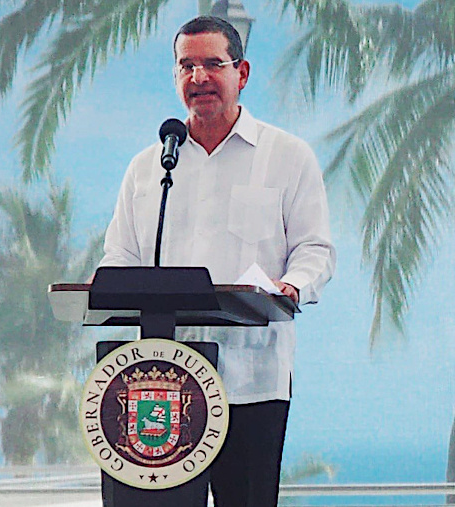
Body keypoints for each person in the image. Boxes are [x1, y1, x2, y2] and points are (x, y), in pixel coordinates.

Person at [99, 16, 336, 507]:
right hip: (162, 380)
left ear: (242, 72)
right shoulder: (148, 167)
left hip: (252, 381)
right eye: (186, 66)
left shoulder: (287, 156)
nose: (199, 77)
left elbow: (316, 250)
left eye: (213, 64)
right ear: (175, 76)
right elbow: (119, 257)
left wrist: (291, 285)